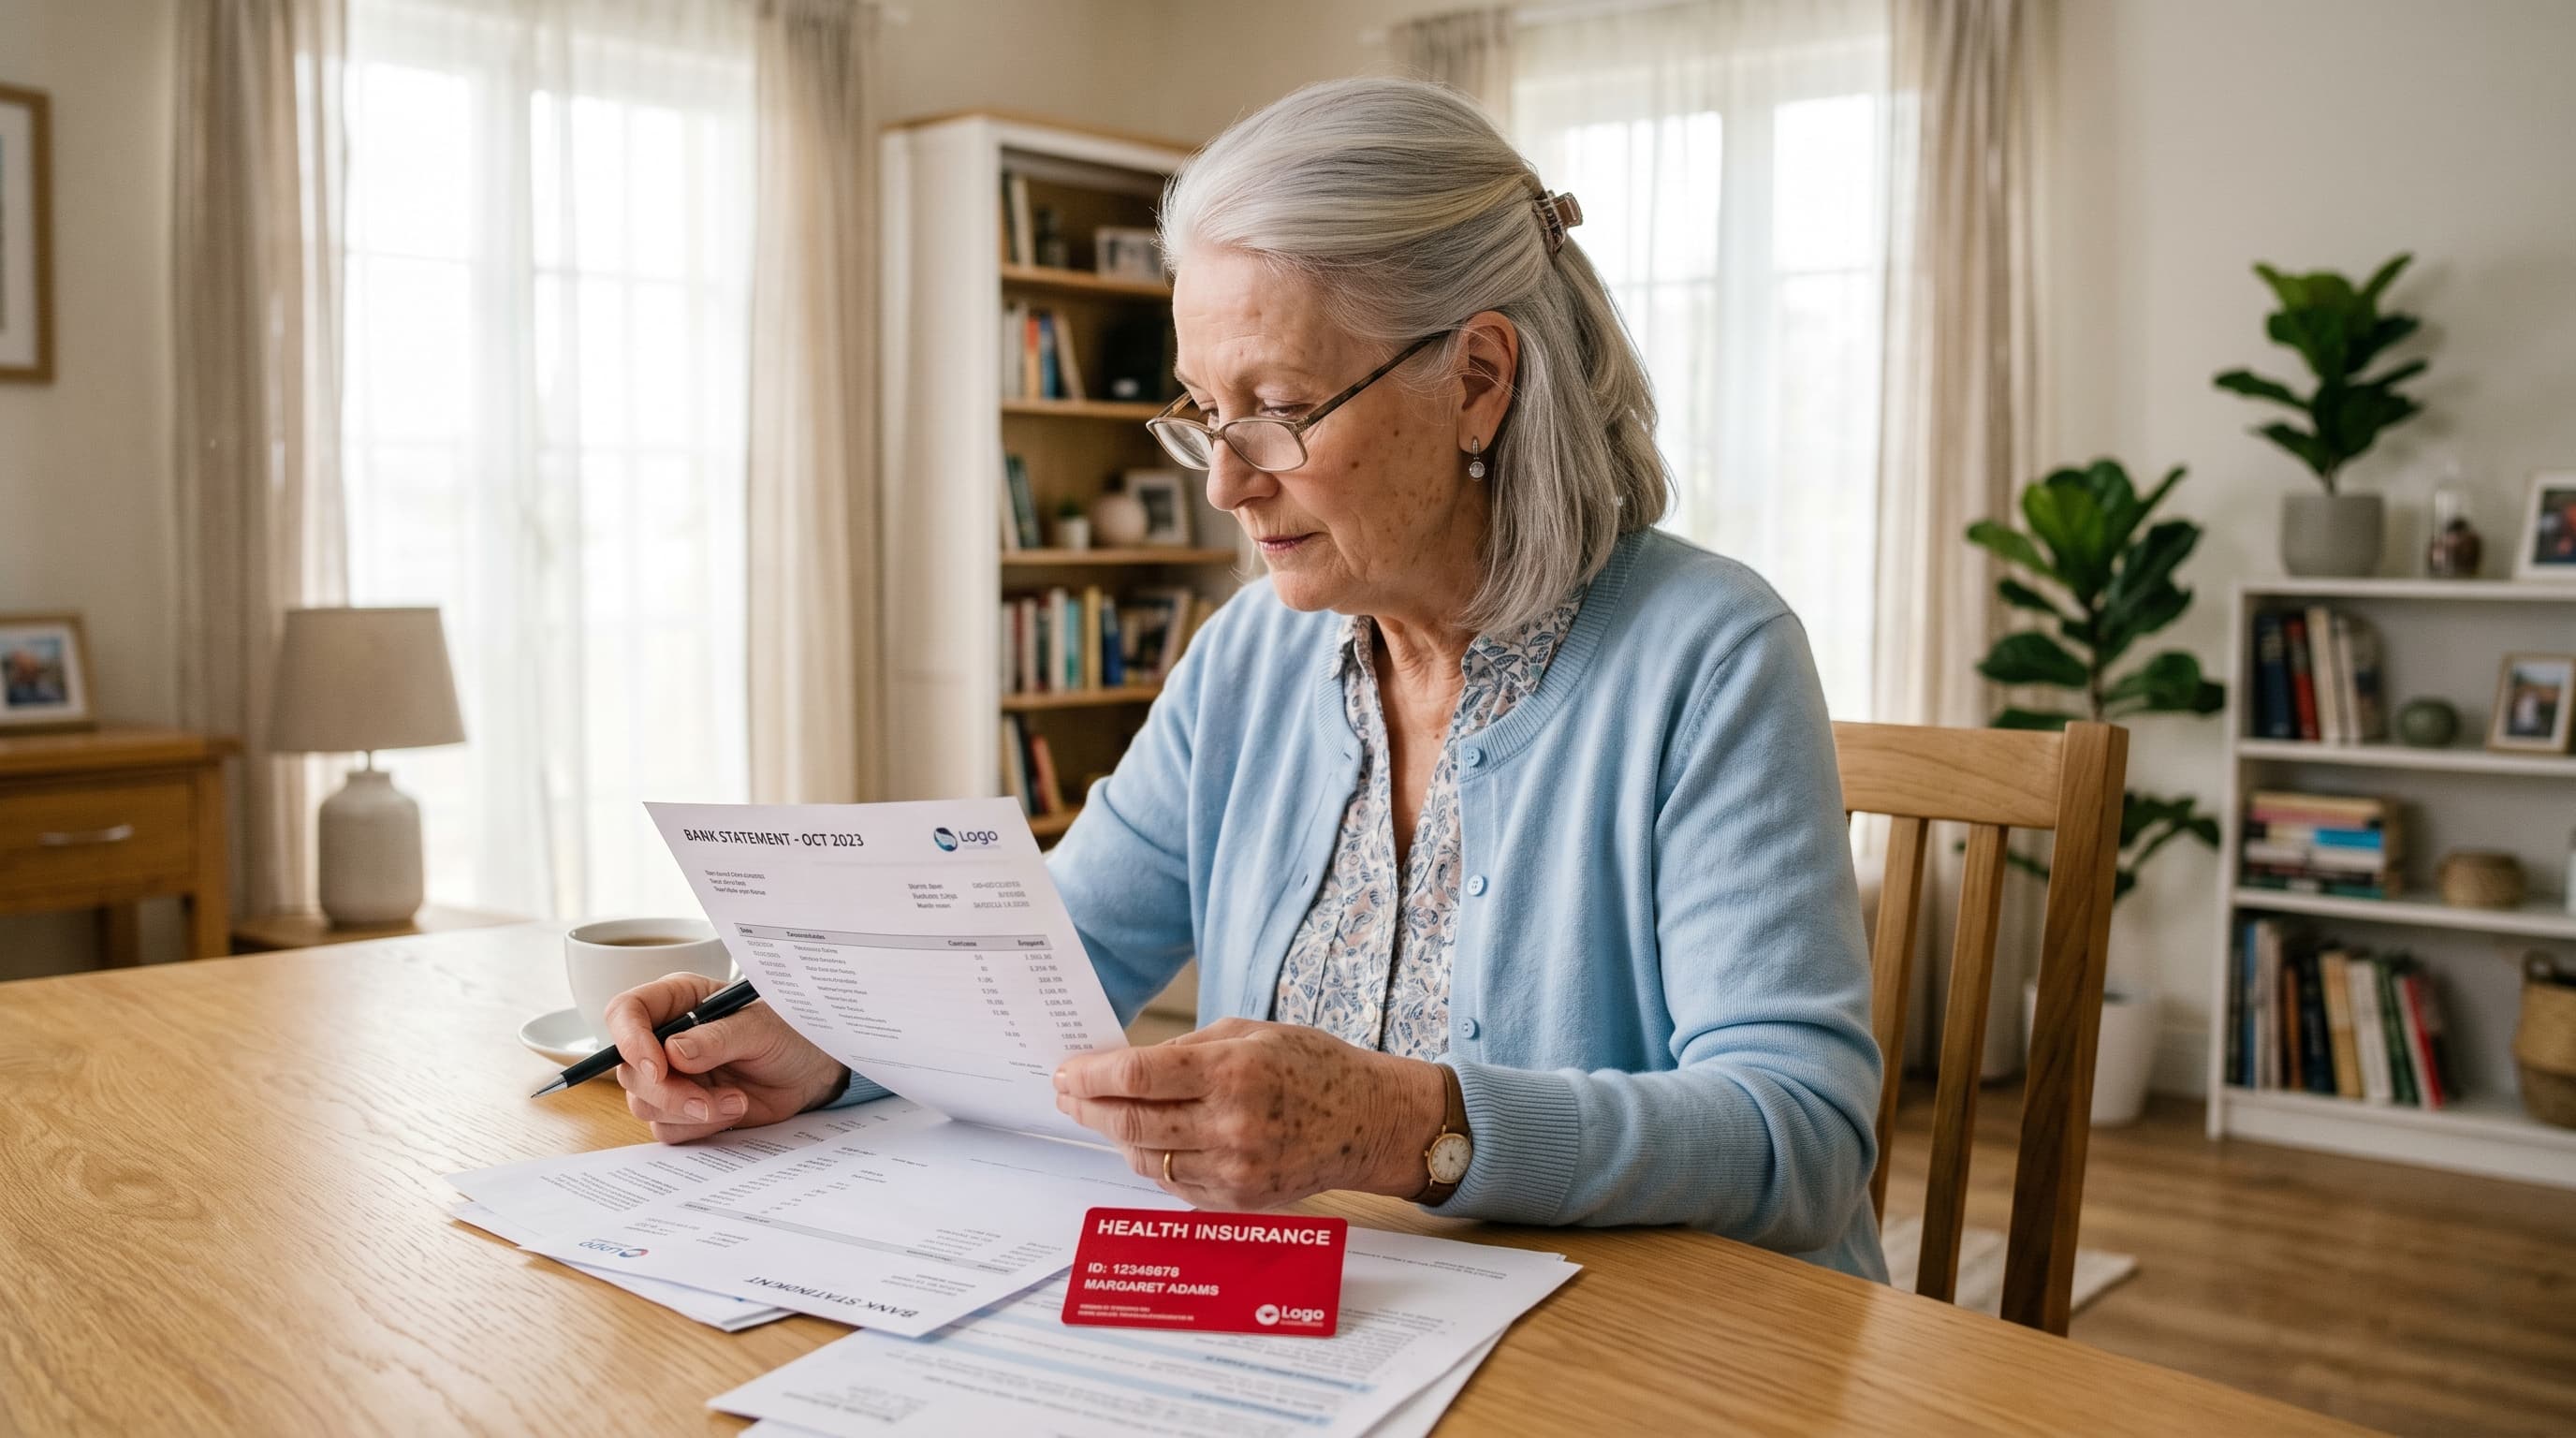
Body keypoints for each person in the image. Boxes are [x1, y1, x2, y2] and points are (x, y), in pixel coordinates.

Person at [607, 77, 1886, 1279]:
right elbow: (1057, 956)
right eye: (1203, 413)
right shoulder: (1252, 655)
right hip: (1320, 1339)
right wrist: (813, 1038)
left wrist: (1405, 1127)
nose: (1224, 481)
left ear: (1479, 382)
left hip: (1651, 1365)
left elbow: (1799, 1133)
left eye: (1276, 407)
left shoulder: (1713, 658)